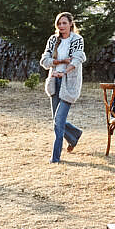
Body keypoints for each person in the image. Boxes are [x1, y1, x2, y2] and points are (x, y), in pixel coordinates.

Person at [40, 12, 86, 164]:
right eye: (59, 23)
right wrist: (60, 61)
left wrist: (65, 71)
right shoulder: (53, 40)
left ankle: (55, 157)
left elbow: (78, 58)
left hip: (69, 83)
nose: (61, 26)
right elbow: (45, 61)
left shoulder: (77, 40)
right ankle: (74, 135)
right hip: (54, 82)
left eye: (64, 23)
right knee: (57, 120)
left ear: (71, 24)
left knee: (59, 121)